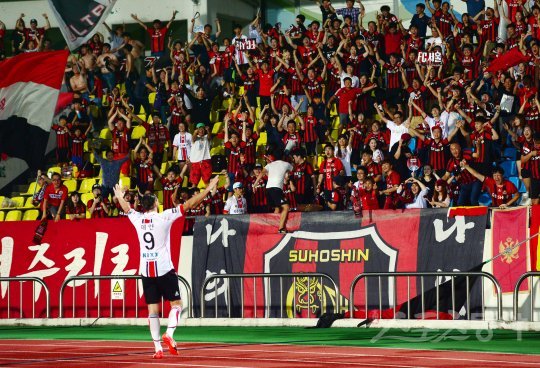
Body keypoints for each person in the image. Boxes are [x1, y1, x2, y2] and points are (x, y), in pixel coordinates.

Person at [113, 176, 219, 359]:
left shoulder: (137, 219)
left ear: (143, 206)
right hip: (164, 268)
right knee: (176, 305)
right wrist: (208, 188)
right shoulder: (164, 216)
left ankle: (157, 349)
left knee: (153, 311)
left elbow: (125, 208)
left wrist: (119, 196)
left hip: (146, 269)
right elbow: (190, 204)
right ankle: (169, 334)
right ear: (155, 204)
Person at [255, 151, 293, 233]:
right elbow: (293, 168)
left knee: (277, 208)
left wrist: (255, 184)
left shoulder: (269, 165)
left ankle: (272, 228)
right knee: (286, 207)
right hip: (276, 190)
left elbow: (261, 173)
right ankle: (281, 228)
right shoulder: (286, 164)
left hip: (268, 190)